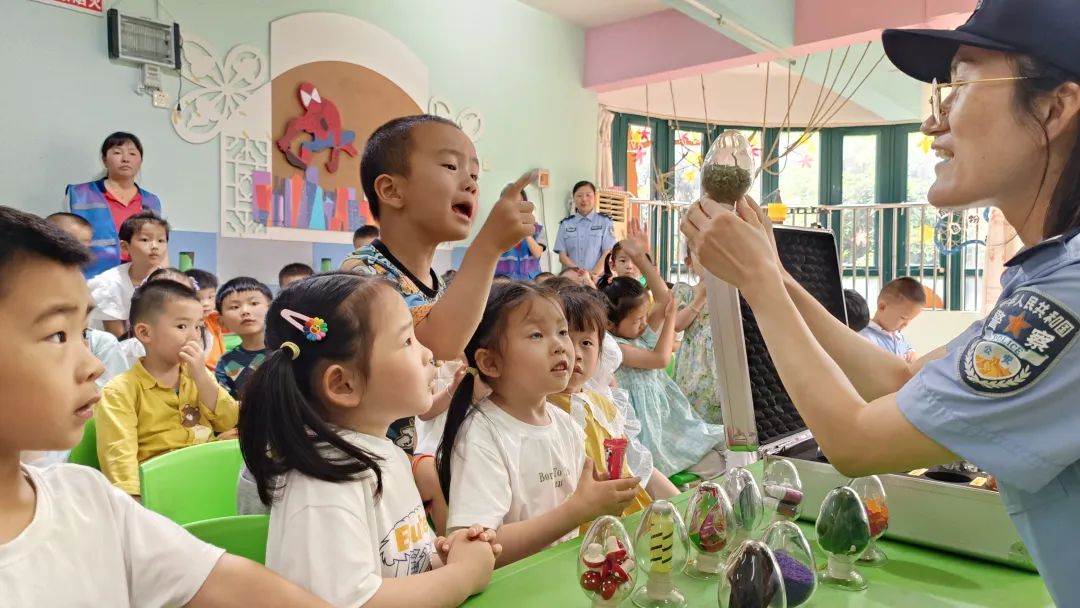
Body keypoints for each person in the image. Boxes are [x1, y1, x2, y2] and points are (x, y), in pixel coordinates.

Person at [680, 1, 1080, 602]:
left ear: (1054, 107)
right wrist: (781, 278)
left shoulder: (1064, 297)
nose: (932, 124)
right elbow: (896, 380)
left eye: (962, 86)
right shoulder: (1045, 278)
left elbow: (858, 442)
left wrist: (760, 285)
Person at [0, 205, 335, 607]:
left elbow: (231, 582)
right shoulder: (122, 398)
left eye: (81, 334)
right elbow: (121, 460)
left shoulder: (86, 498)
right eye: (57, 335)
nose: (92, 365)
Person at [237, 273, 499, 607]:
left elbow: (396, 560)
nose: (427, 353)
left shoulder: (385, 452)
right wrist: (462, 576)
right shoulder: (323, 485)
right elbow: (351, 601)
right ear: (343, 384)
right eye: (407, 341)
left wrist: (441, 557)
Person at [340, 114, 536, 454]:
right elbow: (437, 343)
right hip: (353, 467)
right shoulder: (361, 274)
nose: (471, 184)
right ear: (391, 190)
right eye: (450, 166)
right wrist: (488, 245)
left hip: (403, 462)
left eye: (474, 174)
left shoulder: (435, 286)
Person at [438, 282, 641, 566]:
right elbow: (477, 550)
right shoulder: (482, 433)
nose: (561, 345)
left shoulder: (565, 424)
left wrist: (603, 495)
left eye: (561, 332)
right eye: (536, 335)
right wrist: (576, 510)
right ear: (491, 363)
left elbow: (577, 501)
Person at [96, 281, 239, 497]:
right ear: (145, 333)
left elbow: (228, 420)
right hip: (160, 491)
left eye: (198, 327)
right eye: (182, 326)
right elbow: (121, 464)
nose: (193, 336)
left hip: (207, 479)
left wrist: (201, 375)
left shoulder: (197, 375)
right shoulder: (120, 391)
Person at [547, 281, 673, 505]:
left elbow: (623, 467)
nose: (575, 353)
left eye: (586, 343)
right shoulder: (543, 408)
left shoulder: (602, 404)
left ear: (600, 354)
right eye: (564, 338)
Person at [602, 276, 726, 478]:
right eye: (637, 320)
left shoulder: (638, 335)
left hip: (668, 419)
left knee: (722, 444)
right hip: (651, 430)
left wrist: (641, 259)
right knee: (713, 461)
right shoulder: (615, 347)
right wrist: (670, 319)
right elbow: (660, 359)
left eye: (645, 317)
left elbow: (663, 297)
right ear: (609, 323)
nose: (644, 323)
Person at [66, 132, 163, 278]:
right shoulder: (79, 194)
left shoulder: (152, 201)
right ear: (104, 160)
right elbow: (65, 242)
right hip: (92, 279)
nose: (125, 159)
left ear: (141, 160)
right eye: (117, 153)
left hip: (139, 280)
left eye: (132, 153)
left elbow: (160, 247)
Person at [88, 211, 168, 338]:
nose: (155, 246)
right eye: (145, 240)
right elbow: (118, 339)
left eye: (161, 240)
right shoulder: (109, 283)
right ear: (125, 247)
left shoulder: (171, 280)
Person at [671, 251, 722, 424]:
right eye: (702, 254)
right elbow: (677, 324)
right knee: (695, 413)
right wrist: (701, 297)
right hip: (694, 364)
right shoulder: (684, 291)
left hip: (721, 359)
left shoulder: (730, 294)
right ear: (689, 262)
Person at [214, 277, 273, 400]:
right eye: (235, 307)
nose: (245, 311)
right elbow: (226, 404)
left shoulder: (286, 350)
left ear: (272, 309)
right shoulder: (227, 363)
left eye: (254, 303)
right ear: (221, 322)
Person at [554, 180, 616, 277]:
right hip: (572, 279)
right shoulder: (565, 224)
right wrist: (580, 273)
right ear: (574, 199)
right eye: (579, 196)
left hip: (597, 279)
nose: (584, 199)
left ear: (595, 197)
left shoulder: (605, 222)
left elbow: (607, 253)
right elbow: (562, 256)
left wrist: (593, 274)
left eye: (588, 195)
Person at [860, 277, 926, 362]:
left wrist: (912, 353)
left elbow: (908, 351)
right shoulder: (865, 338)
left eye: (910, 319)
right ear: (882, 307)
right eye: (903, 318)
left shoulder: (898, 336)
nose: (906, 324)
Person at [496, 190, 547, 281]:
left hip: (531, 281)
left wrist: (525, 228)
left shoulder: (538, 229)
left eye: (519, 202)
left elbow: (537, 253)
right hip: (505, 283)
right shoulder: (496, 229)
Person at [186, 268, 227, 370]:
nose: (206, 303)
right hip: (202, 373)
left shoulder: (213, 318)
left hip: (222, 370)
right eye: (198, 298)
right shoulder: (185, 325)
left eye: (210, 297)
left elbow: (234, 323)